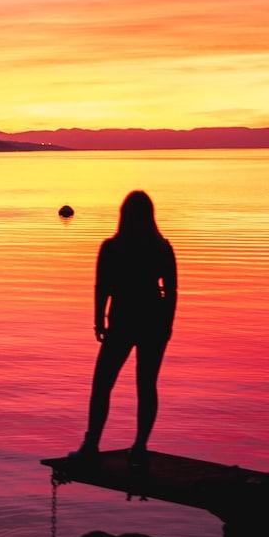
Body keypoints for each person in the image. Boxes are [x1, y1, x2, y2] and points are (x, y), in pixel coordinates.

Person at [73, 190, 177, 463]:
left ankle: (91, 444)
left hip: (122, 319)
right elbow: (172, 291)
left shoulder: (111, 247)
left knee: (103, 384)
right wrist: (167, 324)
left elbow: (102, 287)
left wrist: (98, 319)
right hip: (152, 319)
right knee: (146, 384)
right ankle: (139, 445)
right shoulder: (161, 247)